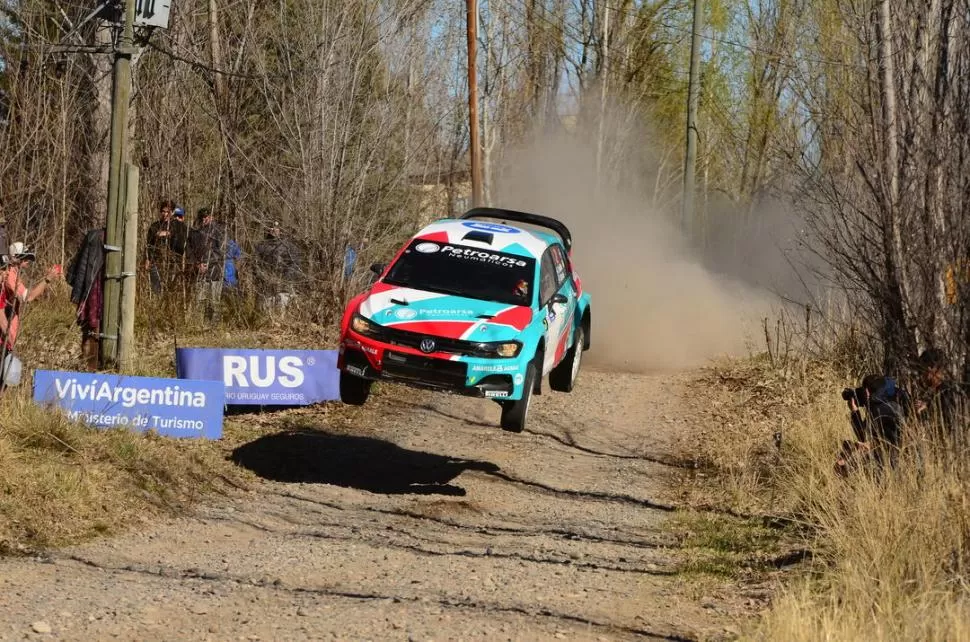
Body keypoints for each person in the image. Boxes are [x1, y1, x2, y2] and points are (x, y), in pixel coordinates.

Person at [0, 242, 62, 388]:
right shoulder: (10, 276)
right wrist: (47, 279)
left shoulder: (13, 275)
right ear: (16, 258)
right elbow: (28, 297)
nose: (27, 261)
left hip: (8, 335)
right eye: (24, 257)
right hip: (4, 336)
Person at [835, 374, 910, 475]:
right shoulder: (890, 401)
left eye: (866, 390)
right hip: (899, 450)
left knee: (842, 467)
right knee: (849, 447)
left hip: (891, 457)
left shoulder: (879, 409)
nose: (865, 394)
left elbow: (863, 435)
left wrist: (854, 412)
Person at [66, 228, 105, 371]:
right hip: (93, 288)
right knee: (91, 328)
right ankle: (90, 368)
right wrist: (78, 294)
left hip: (105, 290)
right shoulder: (95, 238)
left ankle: (99, 365)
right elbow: (82, 268)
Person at [914, 348, 966, 449]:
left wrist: (926, 411)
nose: (922, 376)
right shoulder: (941, 390)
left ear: (931, 369)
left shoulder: (947, 392)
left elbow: (948, 425)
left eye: (923, 370)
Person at [255, 220, 303, 316]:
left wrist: (286, 278)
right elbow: (256, 264)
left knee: (282, 309)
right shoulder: (261, 246)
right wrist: (262, 276)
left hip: (284, 285)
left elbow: (295, 264)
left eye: (276, 228)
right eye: (272, 228)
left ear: (280, 229)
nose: (274, 230)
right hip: (266, 284)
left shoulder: (288, 246)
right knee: (266, 310)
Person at [187, 207, 225, 323]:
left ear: (211, 217)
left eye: (207, 217)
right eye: (202, 217)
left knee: (214, 300)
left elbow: (222, 252)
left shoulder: (218, 232)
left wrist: (209, 263)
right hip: (200, 272)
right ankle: (201, 323)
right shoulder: (194, 233)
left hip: (215, 271)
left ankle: (215, 325)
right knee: (200, 299)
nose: (205, 219)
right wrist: (198, 264)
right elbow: (190, 252)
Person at [145, 199, 187, 295]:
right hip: (156, 262)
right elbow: (149, 245)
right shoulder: (154, 226)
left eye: (168, 212)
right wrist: (147, 259)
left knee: (171, 290)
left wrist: (168, 233)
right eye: (163, 211)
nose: (165, 214)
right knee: (156, 289)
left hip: (172, 263)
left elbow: (182, 242)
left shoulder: (178, 226)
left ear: (172, 212)